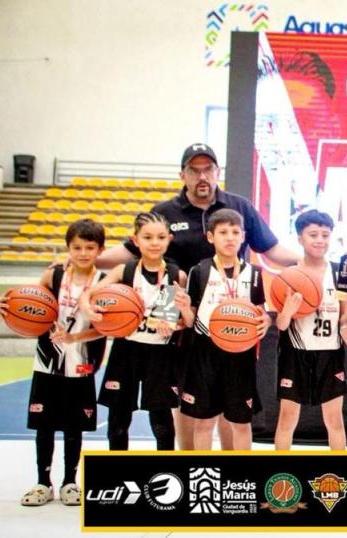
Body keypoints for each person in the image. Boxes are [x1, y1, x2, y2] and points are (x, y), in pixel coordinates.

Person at [95, 143, 293, 451]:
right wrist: (84, 261)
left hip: (230, 316)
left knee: (232, 412)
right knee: (187, 402)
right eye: (194, 170)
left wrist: (309, 264)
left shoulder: (238, 207)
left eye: (208, 169)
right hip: (180, 313)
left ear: (217, 172)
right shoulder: (164, 212)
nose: (202, 176)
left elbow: (272, 250)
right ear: (183, 174)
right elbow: (130, 250)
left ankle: (229, 472)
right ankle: (188, 464)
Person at [0, 219, 107, 506]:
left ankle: (70, 482)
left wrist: (75, 336)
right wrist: (2, 307)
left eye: (89, 248)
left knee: (74, 426)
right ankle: (43, 482)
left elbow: (107, 327)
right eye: (76, 247)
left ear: (100, 250)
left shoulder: (104, 282)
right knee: (44, 424)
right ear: (68, 248)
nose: (83, 253)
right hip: (47, 361)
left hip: (81, 361)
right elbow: (27, 304)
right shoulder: (54, 276)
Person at [81, 213, 191, 451]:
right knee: (118, 421)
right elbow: (90, 294)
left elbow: (182, 320)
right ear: (135, 240)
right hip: (126, 350)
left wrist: (176, 324)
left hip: (161, 353)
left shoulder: (176, 275)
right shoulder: (124, 271)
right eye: (148, 237)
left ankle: (166, 475)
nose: (154, 242)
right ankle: (120, 474)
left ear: (169, 239)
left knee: (161, 422)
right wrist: (89, 309)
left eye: (161, 237)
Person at [180, 209, 271, 450]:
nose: (229, 238)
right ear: (210, 237)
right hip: (205, 353)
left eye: (235, 232)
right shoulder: (198, 271)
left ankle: (240, 477)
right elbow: (189, 322)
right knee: (204, 423)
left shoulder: (255, 274)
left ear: (243, 236)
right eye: (223, 232)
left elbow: (261, 312)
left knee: (241, 423)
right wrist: (183, 309)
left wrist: (266, 322)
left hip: (241, 355)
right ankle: (204, 477)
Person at [274, 210, 347, 451]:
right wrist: (288, 311)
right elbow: (280, 324)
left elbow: (343, 321)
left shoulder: (343, 273)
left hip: (330, 353)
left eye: (325, 234)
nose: (319, 240)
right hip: (295, 353)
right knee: (287, 419)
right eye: (313, 234)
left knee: (334, 420)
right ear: (300, 238)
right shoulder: (289, 275)